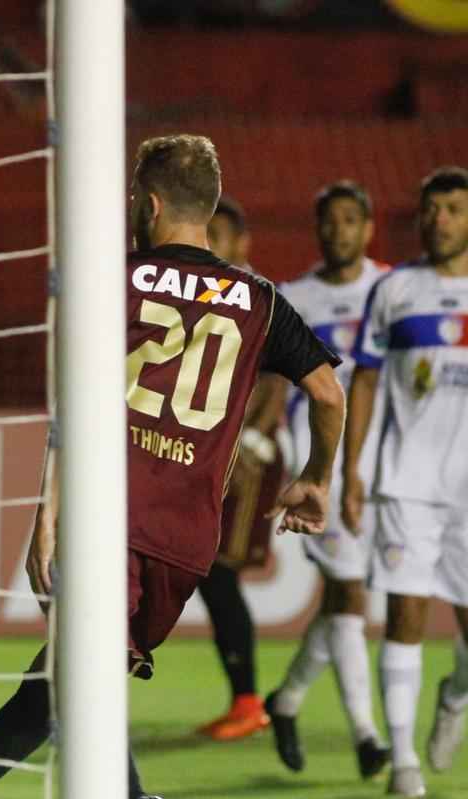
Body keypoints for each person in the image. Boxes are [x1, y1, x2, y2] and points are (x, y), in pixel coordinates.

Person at [0, 133, 346, 799]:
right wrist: (317, 478)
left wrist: (47, 512)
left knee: (75, 672)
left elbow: (78, 401)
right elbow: (328, 393)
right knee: (80, 670)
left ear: (149, 204)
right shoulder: (260, 299)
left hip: (113, 517)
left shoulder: (113, 281)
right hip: (188, 539)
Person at [341, 166, 468, 798]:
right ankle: (403, 762)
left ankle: (456, 694)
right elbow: (364, 380)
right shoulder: (394, 290)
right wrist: (351, 470)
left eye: (453, 210)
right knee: (405, 613)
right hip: (406, 480)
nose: (439, 220)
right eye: (431, 209)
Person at [263, 180, 391, 779]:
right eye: (329, 220)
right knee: (350, 594)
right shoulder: (294, 298)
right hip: (321, 464)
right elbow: (269, 382)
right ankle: (367, 734)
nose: (338, 230)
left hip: (386, 465)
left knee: (346, 597)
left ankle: (286, 701)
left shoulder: (390, 289)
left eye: (349, 220)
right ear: (317, 229)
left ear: (368, 228)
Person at [193, 196, 286, 741]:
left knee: (217, 570)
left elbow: (277, 377)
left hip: (246, 455)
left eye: (219, 234)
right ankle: (245, 701)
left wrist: (253, 436)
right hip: (209, 453)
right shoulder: (202, 293)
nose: (210, 243)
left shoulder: (256, 296)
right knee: (207, 574)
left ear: (243, 242)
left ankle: (251, 702)